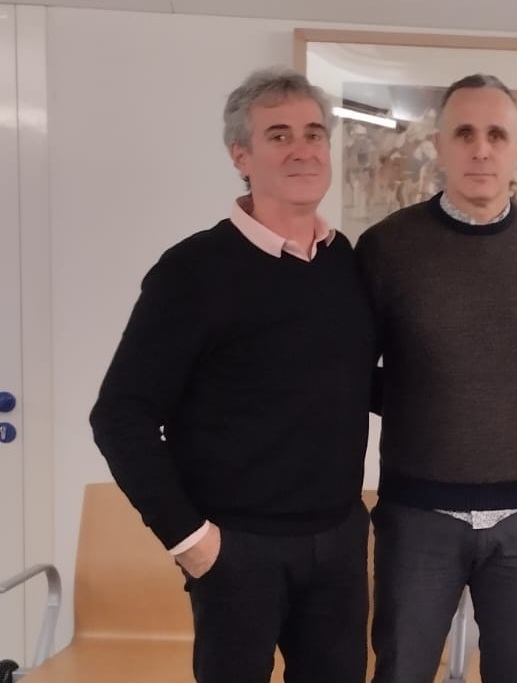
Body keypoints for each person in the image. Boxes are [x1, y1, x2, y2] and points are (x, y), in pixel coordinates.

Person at [89, 66, 375, 683]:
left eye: (314, 133)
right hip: (237, 550)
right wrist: (191, 542)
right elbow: (120, 416)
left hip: (339, 542)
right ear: (241, 156)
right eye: (278, 135)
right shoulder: (192, 271)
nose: (302, 149)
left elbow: (350, 383)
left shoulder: (344, 263)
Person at [355, 73, 517, 683]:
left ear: (516, 148)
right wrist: (427, 399)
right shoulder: (386, 248)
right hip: (418, 516)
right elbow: (351, 372)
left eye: (497, 135)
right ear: (440, 145)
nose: (481, 149)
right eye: (464, 133)